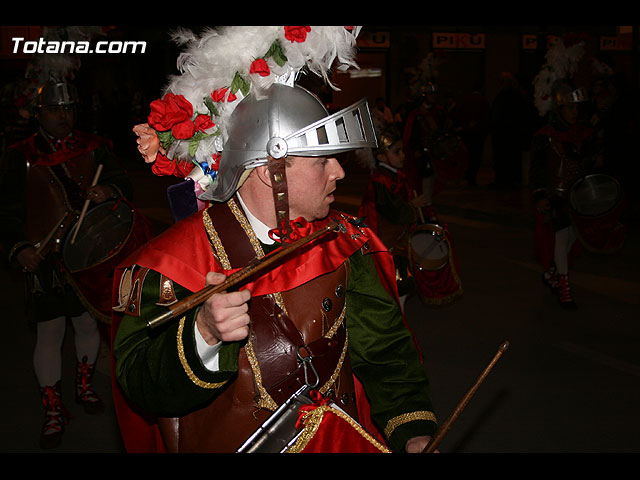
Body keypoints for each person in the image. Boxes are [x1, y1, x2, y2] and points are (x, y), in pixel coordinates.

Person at [112, 26, 438, 454]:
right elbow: (138, 381)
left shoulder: (342, 241)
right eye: (323, 161)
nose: (339, 173)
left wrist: (411, 431)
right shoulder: (172, 262)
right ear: (271, 171)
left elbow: (385, 351)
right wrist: (204, 334)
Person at [0, 80, 134, 448]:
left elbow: (123, 184)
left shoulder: (95, 148)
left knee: (88, 325)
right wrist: (18, 247)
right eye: (56, 110)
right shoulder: (19, 155)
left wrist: (109, 191)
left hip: (87, 254)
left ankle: (85, 386)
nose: (64, 116)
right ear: (39, 112)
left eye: (69, 109)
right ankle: (53, 407)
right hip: (45, 260)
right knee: (50, 332)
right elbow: (8, 211)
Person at [358, 124, 463, 310]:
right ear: (381, 156)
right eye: (397, 152)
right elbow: (392, 210)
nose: (403, 156)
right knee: (398, 284)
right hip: (388, 242)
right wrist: (412, 207)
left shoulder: (393, 176)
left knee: (402, 286)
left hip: (398, 239)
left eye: (402, 151)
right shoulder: (380, 180)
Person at [529, 80, 600, 308]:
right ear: (559, 109)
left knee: (572, 238)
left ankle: (552, 271)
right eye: (570, 107)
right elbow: (537, 168)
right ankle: (564, 284)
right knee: (561, 238)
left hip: (577, 196)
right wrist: (540, 195)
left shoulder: (583, 134)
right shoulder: (545, 135)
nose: (574, 112)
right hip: (556, 196)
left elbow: (586, 165)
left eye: (576, 108)